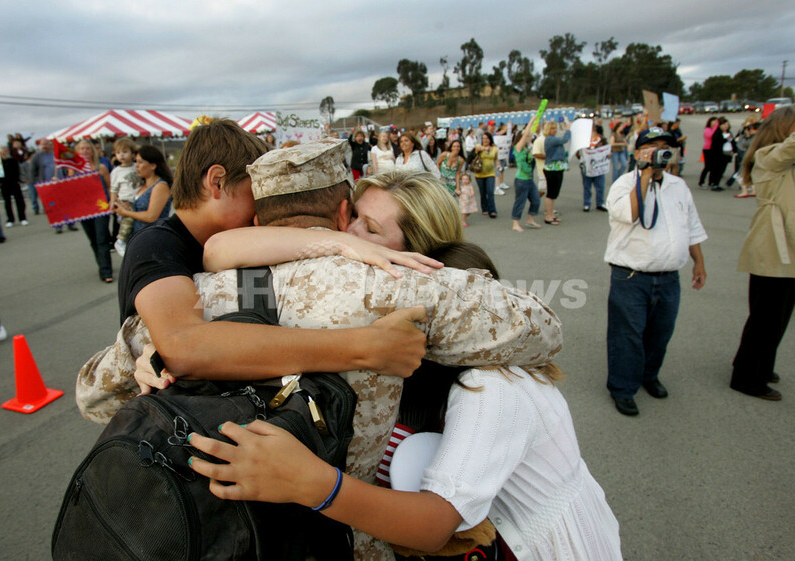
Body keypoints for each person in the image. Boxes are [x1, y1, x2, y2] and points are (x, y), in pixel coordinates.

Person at [135, 148, 563, 560]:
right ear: (342, 211)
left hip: (273, 531)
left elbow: (95, 388)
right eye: (354, 216)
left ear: (423, 253)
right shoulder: (396, 289)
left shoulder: (208, 292)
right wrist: (166, 351)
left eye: (371, 229)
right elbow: (544, 327)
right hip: (343, 535)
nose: (353, 234)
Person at [185, 243, 619, 561]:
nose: (359, 254)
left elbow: (433, 525)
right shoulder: (419, 369)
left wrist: (307, 481)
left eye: (372, 232)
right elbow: (220, 248)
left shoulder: (493, 387)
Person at [109, 120, 430, 413]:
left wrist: (341, 242)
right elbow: (183, 347)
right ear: (217, 182)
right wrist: (364, 347)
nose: (265, 207)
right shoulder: (156, 245)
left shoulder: (226, 242)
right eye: (257, 192)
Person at [605, 127, 708, 416]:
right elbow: (630, 214)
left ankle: (649, 375)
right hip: (631, 277)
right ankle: (623, 388)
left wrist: (698, 261)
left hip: (669, 278)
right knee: (627, 336)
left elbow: (692, 227)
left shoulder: (679, 186)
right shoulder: (624, 184)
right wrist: (646, 176)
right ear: (638, 153)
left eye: (666, 147)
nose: (661, 151)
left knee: (660, 334)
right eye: (653, 147)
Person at [730, 106, 795, 401]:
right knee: (766, 317)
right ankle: (747, 376)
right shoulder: (768, 155)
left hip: (785, 244)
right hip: (772, 243)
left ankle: (761, 365)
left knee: (778, 316)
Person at [70, 140, 114, 283]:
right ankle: (102, 265)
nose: (85, 151)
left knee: (102, 239)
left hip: (100, 208)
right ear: (77, 151)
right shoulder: (73, 169)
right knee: (93, 240)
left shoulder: (101, 167)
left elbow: (110, 187)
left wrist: (111, 202)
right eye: (82, 148)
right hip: (83, 210)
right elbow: (68, 189)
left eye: (88, 148)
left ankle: (106, 271)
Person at [113, 145, 172, 235]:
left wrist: (126, 212)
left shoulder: (160, 186)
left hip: (153, 235)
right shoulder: (141, 185)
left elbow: (151, 216)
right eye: (136, 162)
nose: (136, 166)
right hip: (139, 234)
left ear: (152, 166)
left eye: (140, 162)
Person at [30, 138, 78, 233]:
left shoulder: (56, 154)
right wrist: (37, 183)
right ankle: (58, 225)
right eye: (42, 144)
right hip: (47, 185)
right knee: (53, 206)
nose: (44, 146)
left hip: (61, 183)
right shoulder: (37, 157)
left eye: (46, 144)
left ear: (50, 144)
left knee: (66, 204)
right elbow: (33, 171)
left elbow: (65, 165)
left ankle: (70, 223)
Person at [108, 138, 139, 255]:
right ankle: (121, 239)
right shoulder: (116, 172)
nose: (121, 155)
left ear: (132, 154)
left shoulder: (136, 167)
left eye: (125, 152)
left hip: (137, 198)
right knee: (128, 220)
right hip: (126, 199)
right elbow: (113, 189)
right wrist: (113, 203)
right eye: (118, 152)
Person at [510, 121, 541, 231]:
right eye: (527, 137)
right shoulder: (518, 148)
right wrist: (531, 121)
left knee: (536, 200)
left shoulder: (528, 148)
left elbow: (532, 133)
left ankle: (530, 220)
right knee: (520, 202)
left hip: (529, 180)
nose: (529, 137)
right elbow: (526, 134)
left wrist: (537, 121)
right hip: (521, 180)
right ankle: (515, 223)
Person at [543, 120, 571, 225]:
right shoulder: (550, 139)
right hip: (551, 168)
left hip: (558, 167)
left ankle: (551, 214)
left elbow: (561, 152)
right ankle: (548, 216)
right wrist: (568, 129)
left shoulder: (553, 139)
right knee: (551, 193)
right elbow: (565, 139)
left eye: (555, 128)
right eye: (552, 128)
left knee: (554, 193)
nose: (554, 130)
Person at [577, 126, 609, 212]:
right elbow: (578, 152)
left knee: (600, 186)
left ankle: (600, 203)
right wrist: (580, 155)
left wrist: (608, 154)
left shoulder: (601, 139)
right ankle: (587, 204)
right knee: (587, 186)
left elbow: (607, 150)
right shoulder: (583, 140)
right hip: (587, 167)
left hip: (598, 166)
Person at [0, 146, 27, 227]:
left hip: (14, 183)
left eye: (5, 150)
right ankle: (10, 219)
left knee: (19, 201)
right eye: (2, 151)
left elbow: (18, 171)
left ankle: (22, 218)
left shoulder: (13, 160)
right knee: (7, 203)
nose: (4, 152)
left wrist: (18, 180)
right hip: (4, 184)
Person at [473, 132, 499, 218]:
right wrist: (485, 148)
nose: (485, 140)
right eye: (483, 138)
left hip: (490, 173)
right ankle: (484, 208)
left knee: (490, 191)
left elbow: (496, 158)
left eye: (487, 138)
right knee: (483, 192)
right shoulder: (479, 146)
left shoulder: (494, 148)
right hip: (479, 174)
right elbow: (477, 148)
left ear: (490, 139)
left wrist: (498, 165)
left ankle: (492, 210)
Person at [708, 117, 733, 191]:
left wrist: (733, 150)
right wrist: (725, 139)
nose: (726, 126)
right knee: (717, 170)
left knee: (722, 169)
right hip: (718, 155)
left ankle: (716, 183)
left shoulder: (728, 133)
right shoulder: (718, 133)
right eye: (724, 124)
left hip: (726, 154)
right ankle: (714, 184)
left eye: (727, 124)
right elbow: (716, 144)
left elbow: (732, 142)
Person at [698, 117, 720, 189]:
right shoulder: (707, 130)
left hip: (714, 149)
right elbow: (711, 135)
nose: (715, 123)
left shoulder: (716, 130)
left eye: (716, 122)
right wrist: (716, 126)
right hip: (707, 149)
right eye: (713, 122)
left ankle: (711, 182)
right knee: (707, 167)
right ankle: (701, 182)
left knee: (713, 167)